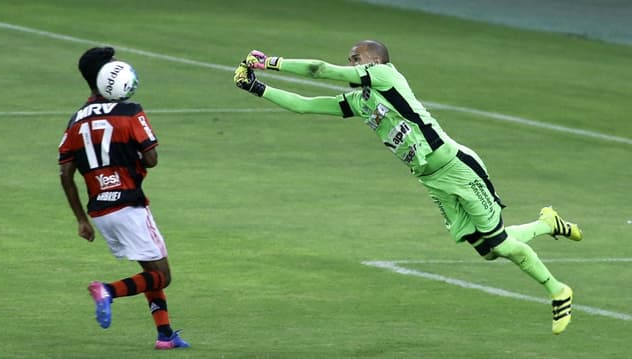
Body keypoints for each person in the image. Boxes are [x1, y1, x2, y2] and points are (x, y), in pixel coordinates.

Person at [233, 40, 583, 334]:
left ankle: (558, 290)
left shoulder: (386, 76)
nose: (349, 63)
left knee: (501, 244)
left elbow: (320, 71)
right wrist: (256, 87)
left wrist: (270, 63)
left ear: (374, 60)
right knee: (487, 250)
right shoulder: (362, 101)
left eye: (355, 58)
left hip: (457, 168)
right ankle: (547, 223)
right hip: (432, 180)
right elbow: (305, 106)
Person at [58, 46, 189, 349]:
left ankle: (165, 335)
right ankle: (107, 290)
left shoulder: (75, 120)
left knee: (149, 271)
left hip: (100, 212)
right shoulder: (130, 110)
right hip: (129, 203)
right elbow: (152, 158)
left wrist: (81, 219)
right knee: (162, 276)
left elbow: (65, 174)